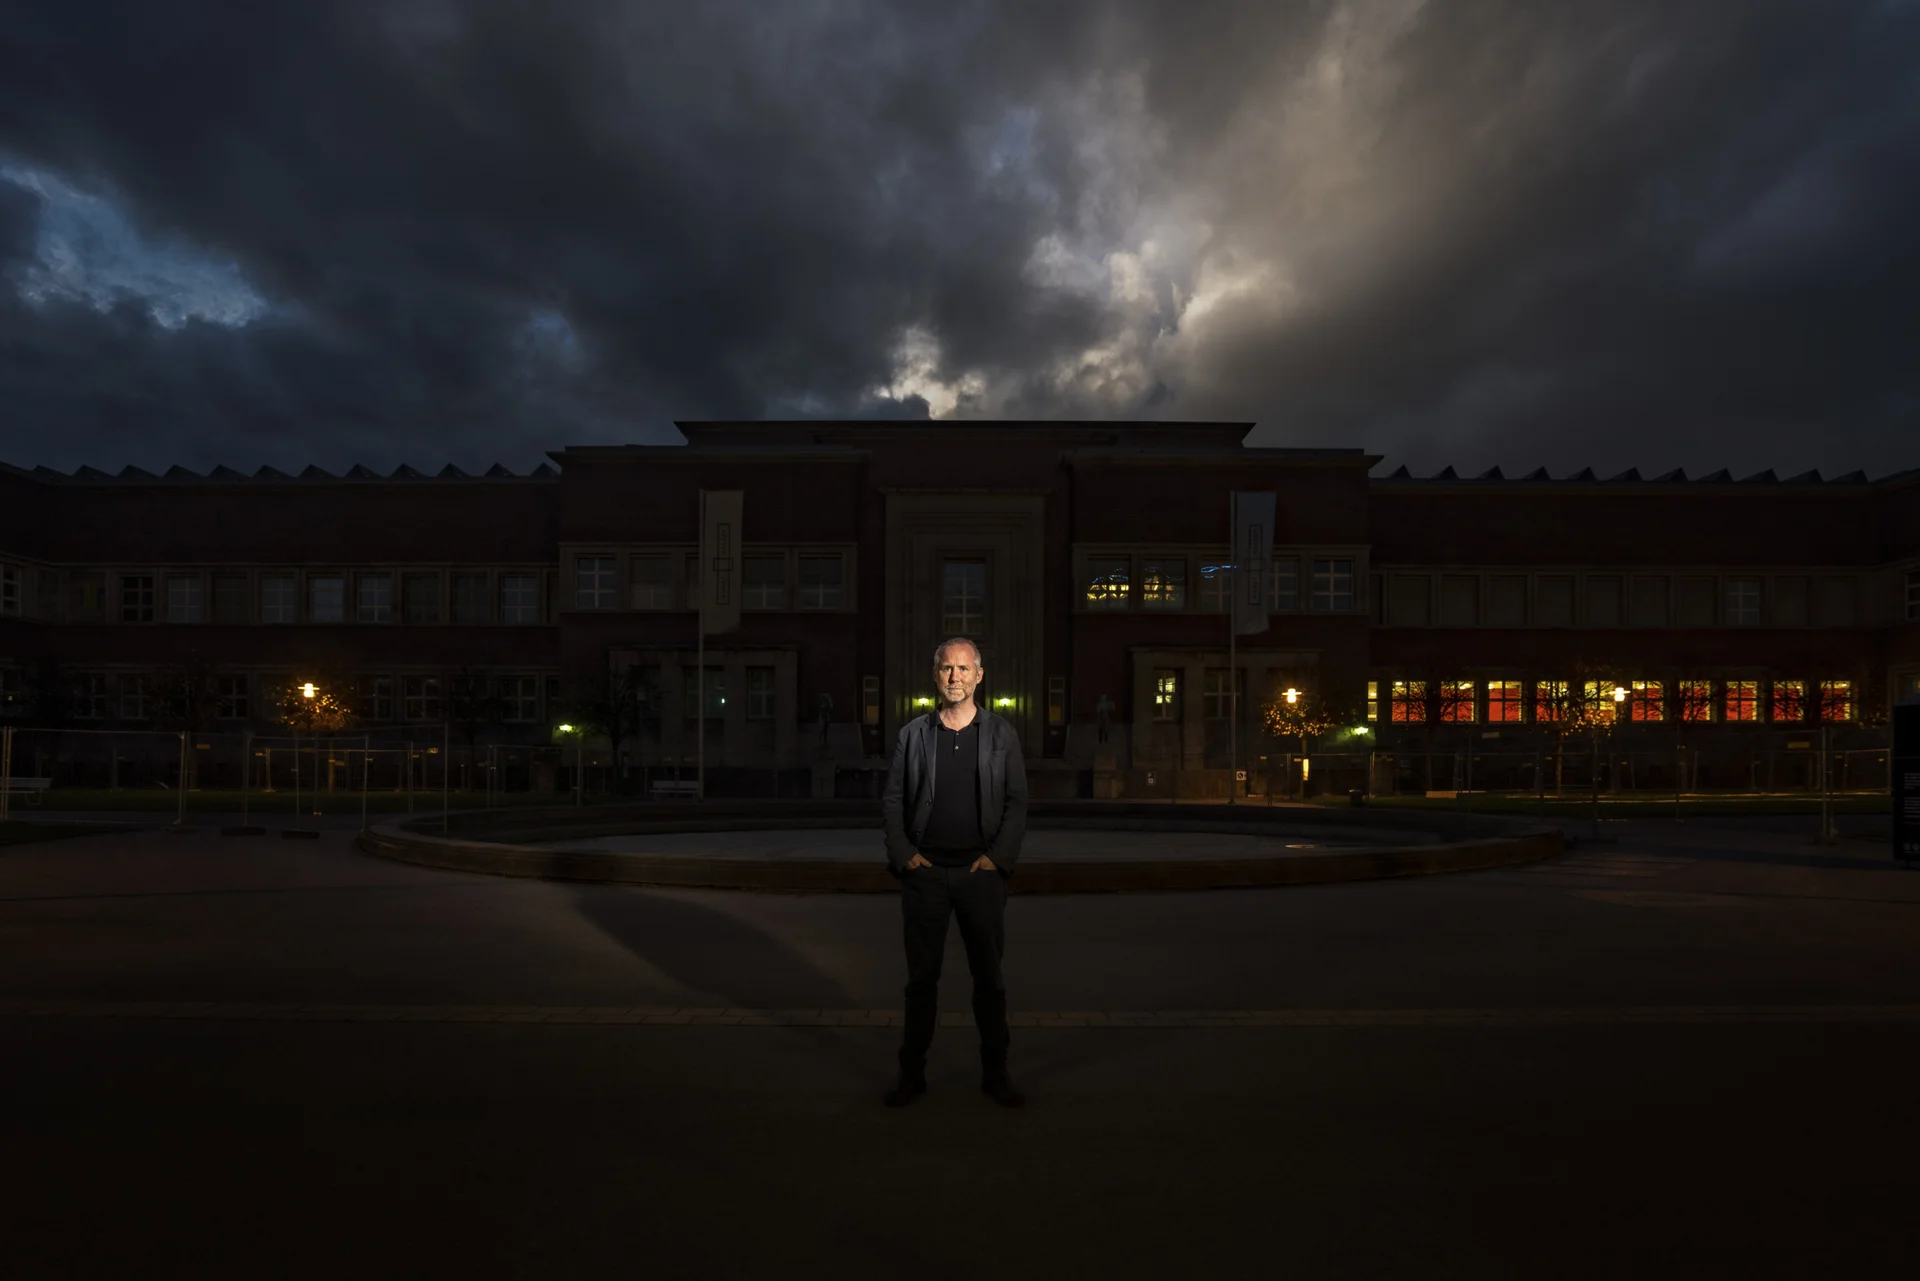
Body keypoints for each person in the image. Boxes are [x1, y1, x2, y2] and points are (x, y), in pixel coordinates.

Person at [880, 636, 1028, 1108]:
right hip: (925, 876)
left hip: (979, 874)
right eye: (947, 668)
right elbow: (893, 801)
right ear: (935, 675)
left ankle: (996, 1073)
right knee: (921, 981)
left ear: (979, 676)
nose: (955, 678)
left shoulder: (1002, 734)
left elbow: (1016, 803)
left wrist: (997, 860)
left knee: (989, 979)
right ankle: (911, 1074)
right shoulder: (913, 735)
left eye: (964, 669)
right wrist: (904, 855)